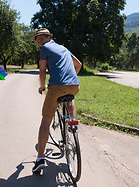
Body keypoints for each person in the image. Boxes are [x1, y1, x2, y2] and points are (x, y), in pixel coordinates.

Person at [32, 28, 82, 173]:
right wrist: (70, 79)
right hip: (74, 85)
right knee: (69, 98)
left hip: (56, 87)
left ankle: (40, 159)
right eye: (38, 40)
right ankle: (72, 123)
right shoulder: (63, 48)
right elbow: (78, 64)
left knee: (45, 121)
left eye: (41, 38)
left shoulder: (46, 48)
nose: (40, 42)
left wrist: (42, 86)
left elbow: (42, 70)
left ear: (48, 37)